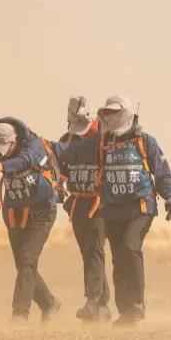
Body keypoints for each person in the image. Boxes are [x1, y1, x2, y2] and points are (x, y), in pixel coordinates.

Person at [96, 95, 171, 326]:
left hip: (140, 208)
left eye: (114, 112)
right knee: (118, 258)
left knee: (130, 247)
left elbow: (162, 172)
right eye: (107, 112)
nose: (109, 116)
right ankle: (125, 311)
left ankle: (136, 305)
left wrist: (170, 196)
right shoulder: (102, 143)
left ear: (124, 113)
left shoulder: (145, 141)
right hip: (112, 211)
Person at [0, 117, 62, 325]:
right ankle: (49, 303)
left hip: (42, 212)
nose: (1, 152)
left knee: (27, 260)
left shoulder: (34, 145)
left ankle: (20, 314)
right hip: (15, 214)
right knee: (23, 265)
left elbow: (25, 161)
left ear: (15, 141)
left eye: (5, 148)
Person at [53, 96, 111, 322]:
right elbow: (60, 168)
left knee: (94, 249)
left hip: (101, 203)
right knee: (88, 252)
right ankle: (102, 303)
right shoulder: (67, 140)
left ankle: (93, 302)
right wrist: (59, 182)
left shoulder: (107, 138)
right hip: (77, 204)